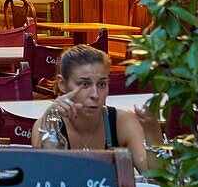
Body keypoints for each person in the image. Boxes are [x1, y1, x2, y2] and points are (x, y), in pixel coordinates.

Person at [31, 45, 164, 173]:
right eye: (84, 84)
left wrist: (153, 130)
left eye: (101, 84)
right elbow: (42, 180)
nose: (95, 94)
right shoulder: (46, 126)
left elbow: (155, 179)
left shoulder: (122, 122)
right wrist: (50, 122)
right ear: (62, 84)